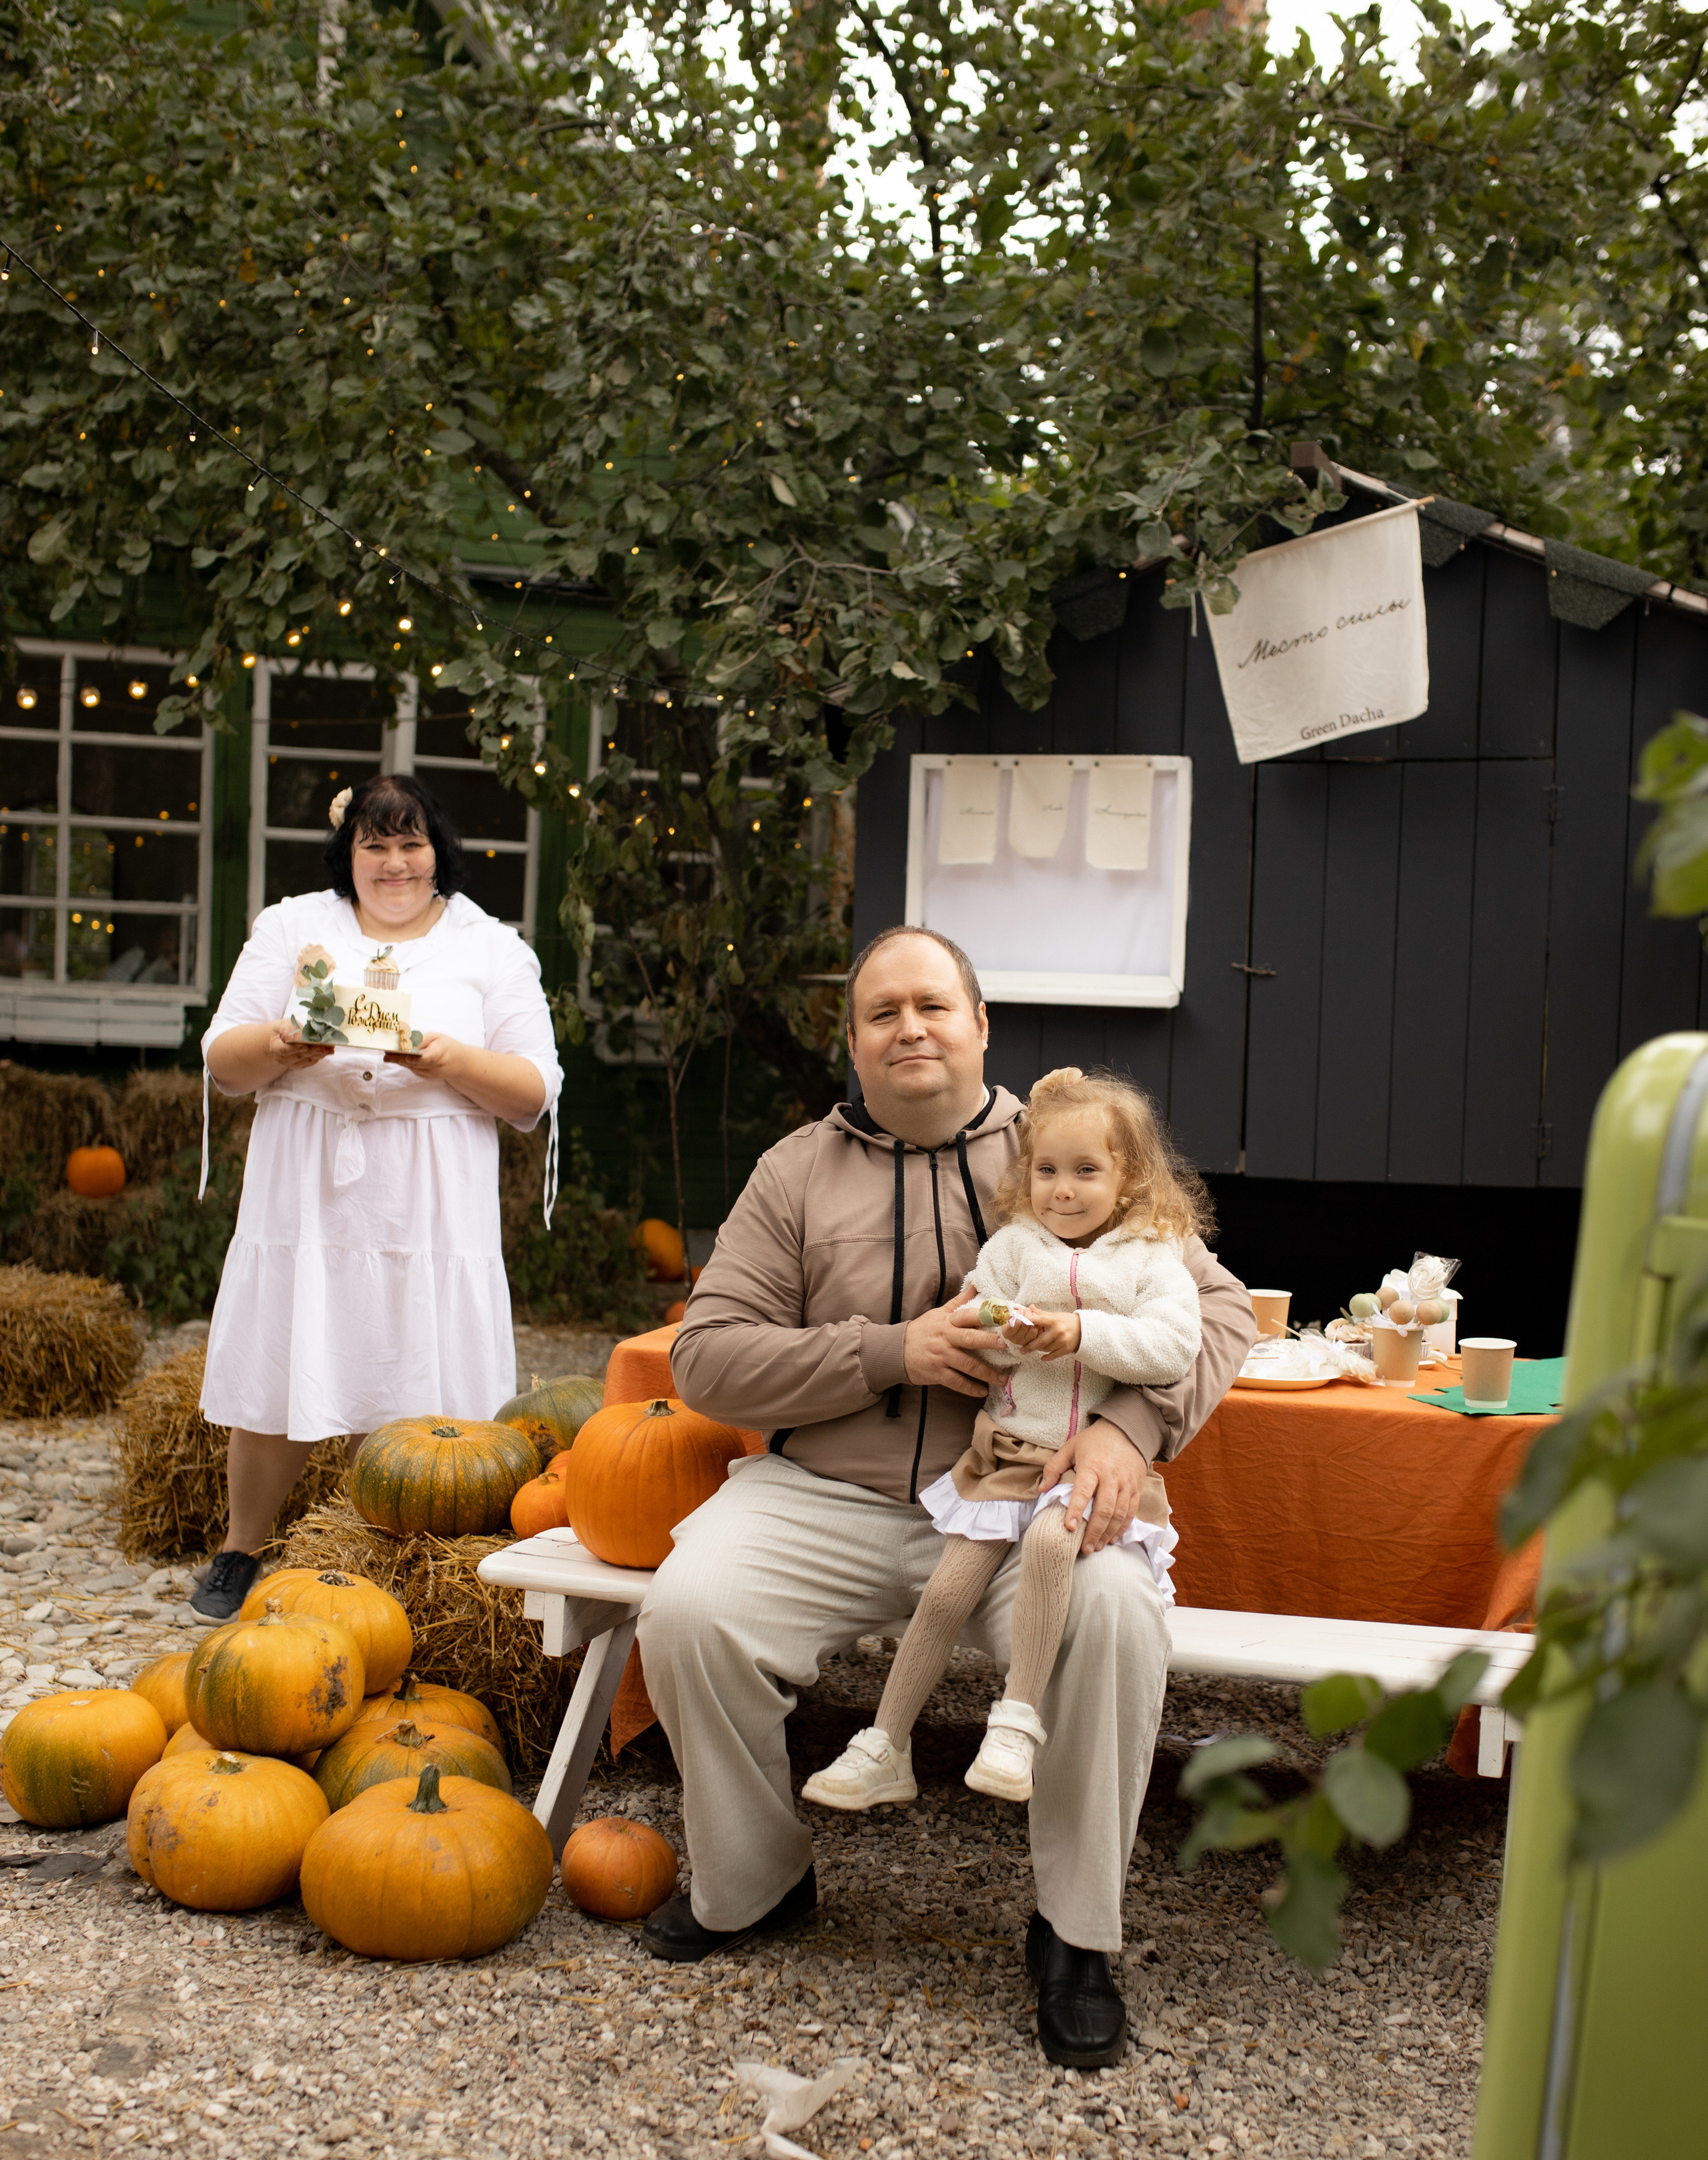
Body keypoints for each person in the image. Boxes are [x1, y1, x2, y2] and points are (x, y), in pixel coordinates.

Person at [636, 924, 1254, 2069]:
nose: (910, 1027)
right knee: (687, 1609)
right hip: (833, 1493)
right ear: (856, 1044)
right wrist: (889, 1351)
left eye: (934, 1005)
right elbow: (708, 1357)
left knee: (1115, 1615)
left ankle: (1076, 1936)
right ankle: (755, 1882)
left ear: (980, 1027)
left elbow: (1216, 1314)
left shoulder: (1071, 1147)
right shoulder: (794, 1173)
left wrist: (1133, 1428)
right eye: (882, 1013)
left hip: (1028, 1501)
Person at [190, 770, 562, 1622]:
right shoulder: (291, 926)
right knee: (284, 1351)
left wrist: (450, 1061)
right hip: (307, 1175)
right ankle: (242, 1547)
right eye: (374, 845)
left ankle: (398, 1551)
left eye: (410, 844)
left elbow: (533, 1089)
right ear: (347, 854)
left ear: (439, 854)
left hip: (429, 1190)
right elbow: (222, 1057)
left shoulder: (491, 947)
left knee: (412, 1358)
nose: (393, 863)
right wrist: (281, 1045)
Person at [802, 1065, 1203, 1812]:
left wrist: (1080, 1332)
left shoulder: (1156, 1255)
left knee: (1054, 1545)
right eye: (1047, 1171)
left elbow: (1174, 1348)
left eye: (1087, 1171)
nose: (1063, 1189)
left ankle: (1015, 1723)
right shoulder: (1017, 1249)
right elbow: (980, 1332)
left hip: (1081, 1469)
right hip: (1006, 1455)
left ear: (1130, 1178)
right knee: (949, 1588)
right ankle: (885, 1744)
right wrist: (998, 1328)